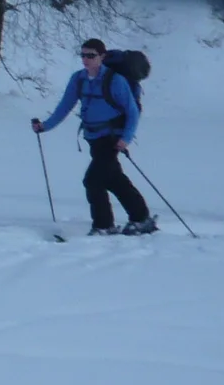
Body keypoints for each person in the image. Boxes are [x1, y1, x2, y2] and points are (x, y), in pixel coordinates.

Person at [32, 38, 155, 236]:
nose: (86, 59)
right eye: (83, 55)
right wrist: (44, 126)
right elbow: (65, 107)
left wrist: (126, 138)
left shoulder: (115, 80)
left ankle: (104, 225)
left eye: (91, 55)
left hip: (112, 138)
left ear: (102, 57)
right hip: (93, 138)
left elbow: (132, 112)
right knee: (114, 179)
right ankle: (141, 218)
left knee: (92, 180)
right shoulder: (78, 79)